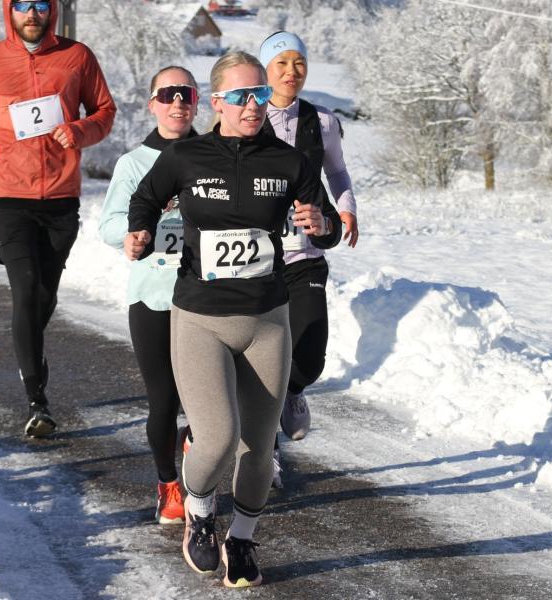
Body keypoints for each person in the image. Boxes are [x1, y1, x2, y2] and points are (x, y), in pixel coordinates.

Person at [128, 51, 340, 588]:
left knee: (260, 451)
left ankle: (241, 539)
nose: (254, 105)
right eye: (242, 96)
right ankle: (199, 512)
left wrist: (321, 223)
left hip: (267, 319)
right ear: (217, 100)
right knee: (217, 439)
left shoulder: (289, 161)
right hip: (200, 317)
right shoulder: (187, 156)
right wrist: (140, 232)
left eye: (261, 95)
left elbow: (329, 226)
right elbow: (145, 198)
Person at [0, 0, 115, 437]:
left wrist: (79, 132)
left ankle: (31, 347)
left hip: (61, 201)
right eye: (22, 5)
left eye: (40, 5)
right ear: (10, 10)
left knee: (43, 297)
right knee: (25, 290)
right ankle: (36, 401)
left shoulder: (76, 56)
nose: (31, 13)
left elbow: (105, 111)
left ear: (52, 11)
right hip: (8, 198)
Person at [98, 66, 198, 525]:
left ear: (197, 102)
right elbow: (109, 223)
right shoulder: (133, 163)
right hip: (154, 295)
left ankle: (200, 470)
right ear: (153, 103)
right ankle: (168, 483)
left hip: (207, 295)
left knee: (208, 402)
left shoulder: (214, 155)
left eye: (186, 94)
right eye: (168, 95)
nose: (178, 103)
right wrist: (133, 233)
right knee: (164, 400)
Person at [258, 31, 360, 443]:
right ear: (266, 69)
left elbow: (336, 171)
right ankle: (265, 453)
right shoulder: (247, 117)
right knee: (260, 360)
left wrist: (347, 207)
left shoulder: (322, 121)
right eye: (281, 63)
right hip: (256, 256)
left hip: (306, 252)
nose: (291, 72)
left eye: (298, 63)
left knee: (311, 356)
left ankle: (293, 390)